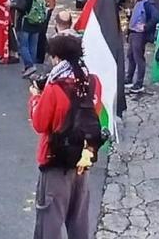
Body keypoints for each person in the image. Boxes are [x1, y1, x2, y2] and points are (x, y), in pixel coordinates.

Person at [29, 31, 103, 239]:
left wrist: (35, 98)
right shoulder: (92, 81)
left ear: (57, 57)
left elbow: (40, 123)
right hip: (82, 157)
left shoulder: (55, 87)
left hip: (56, 161)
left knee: (50, 220)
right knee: (78, 218)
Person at [12, 0, 47, 78]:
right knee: (33, 45)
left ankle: (30, 65)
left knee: (23, 45)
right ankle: (31, 66)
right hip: (37, 22)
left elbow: (20, 7)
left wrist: (12, 5)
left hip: (25, 21)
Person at [125, 0, 155, 93]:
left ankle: (139, 83)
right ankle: (129, 79)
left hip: (140, 34)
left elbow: (155, 16)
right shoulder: (138, 1)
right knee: (130, 55)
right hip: (133, 32)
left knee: (138, 57)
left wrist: (146, 27)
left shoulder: (148, 2)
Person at [36, 0, 57, 66]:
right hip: (49, 9)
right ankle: (47, 48)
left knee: (40, 33)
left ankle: (40, 56)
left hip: (44, 10)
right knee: (42, 32)